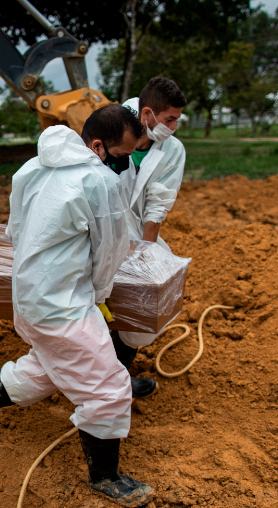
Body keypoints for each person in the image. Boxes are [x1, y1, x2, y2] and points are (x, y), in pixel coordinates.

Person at [0, 105, 157, 508]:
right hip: (63, 302)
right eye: (124, 155)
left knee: (48, 370)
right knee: (108, 387)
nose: (127, 164)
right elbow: (109, 250)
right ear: (97, 146)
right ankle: (105, 477)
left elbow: (14, 231)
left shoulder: (31, 169)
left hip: (31, 294)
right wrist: (97, 295)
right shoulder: (98, 181)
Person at [112, 77, 188, 369]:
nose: (172, 128)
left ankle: (117, 377)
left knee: (140, 306)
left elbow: (156, 209)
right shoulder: (113, 128)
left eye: (177, 120)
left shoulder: (173, 151)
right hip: (100, 230)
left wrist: (145, 258)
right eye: (169, 119)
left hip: (136, 234)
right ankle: (98, 382)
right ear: (147, 114)